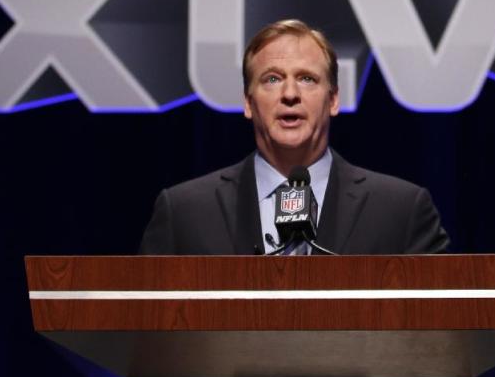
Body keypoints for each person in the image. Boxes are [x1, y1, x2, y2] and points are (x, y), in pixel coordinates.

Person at [139, 19, 449, 255]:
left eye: (307, 79)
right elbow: (145, 329)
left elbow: (441, 329)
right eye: (272, 79)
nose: (290, 94)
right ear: (248, 103)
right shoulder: (184, 211)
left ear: (333, 100)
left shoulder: (401, 210)